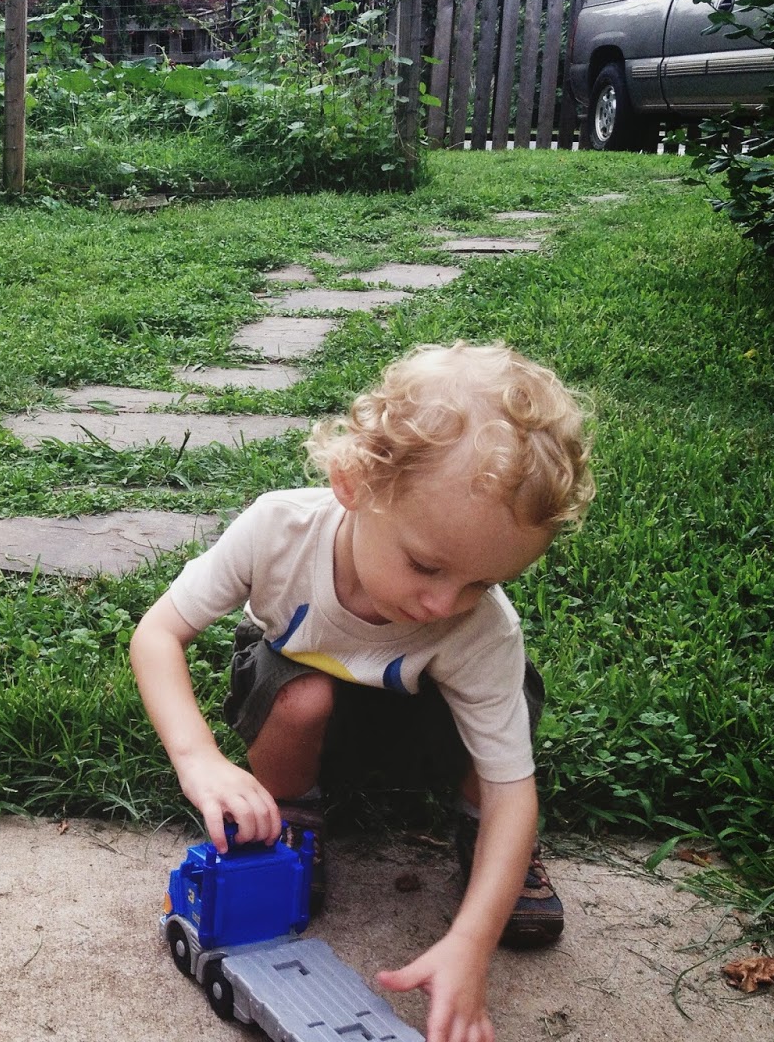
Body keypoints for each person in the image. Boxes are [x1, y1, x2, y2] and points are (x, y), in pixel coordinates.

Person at [129, 341, 593, 1042]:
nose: (444, 604)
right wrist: (199, 760)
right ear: (353, 483)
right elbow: (157, 635)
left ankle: (483, 845)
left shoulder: (479, 629)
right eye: (426, 566)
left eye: (482, 582)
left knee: (507, 713)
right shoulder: (279, 530)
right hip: (308, 705)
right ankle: (294, 814)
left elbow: (512, 789)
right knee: (300, 696)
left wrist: (472, 942)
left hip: (416, 721)